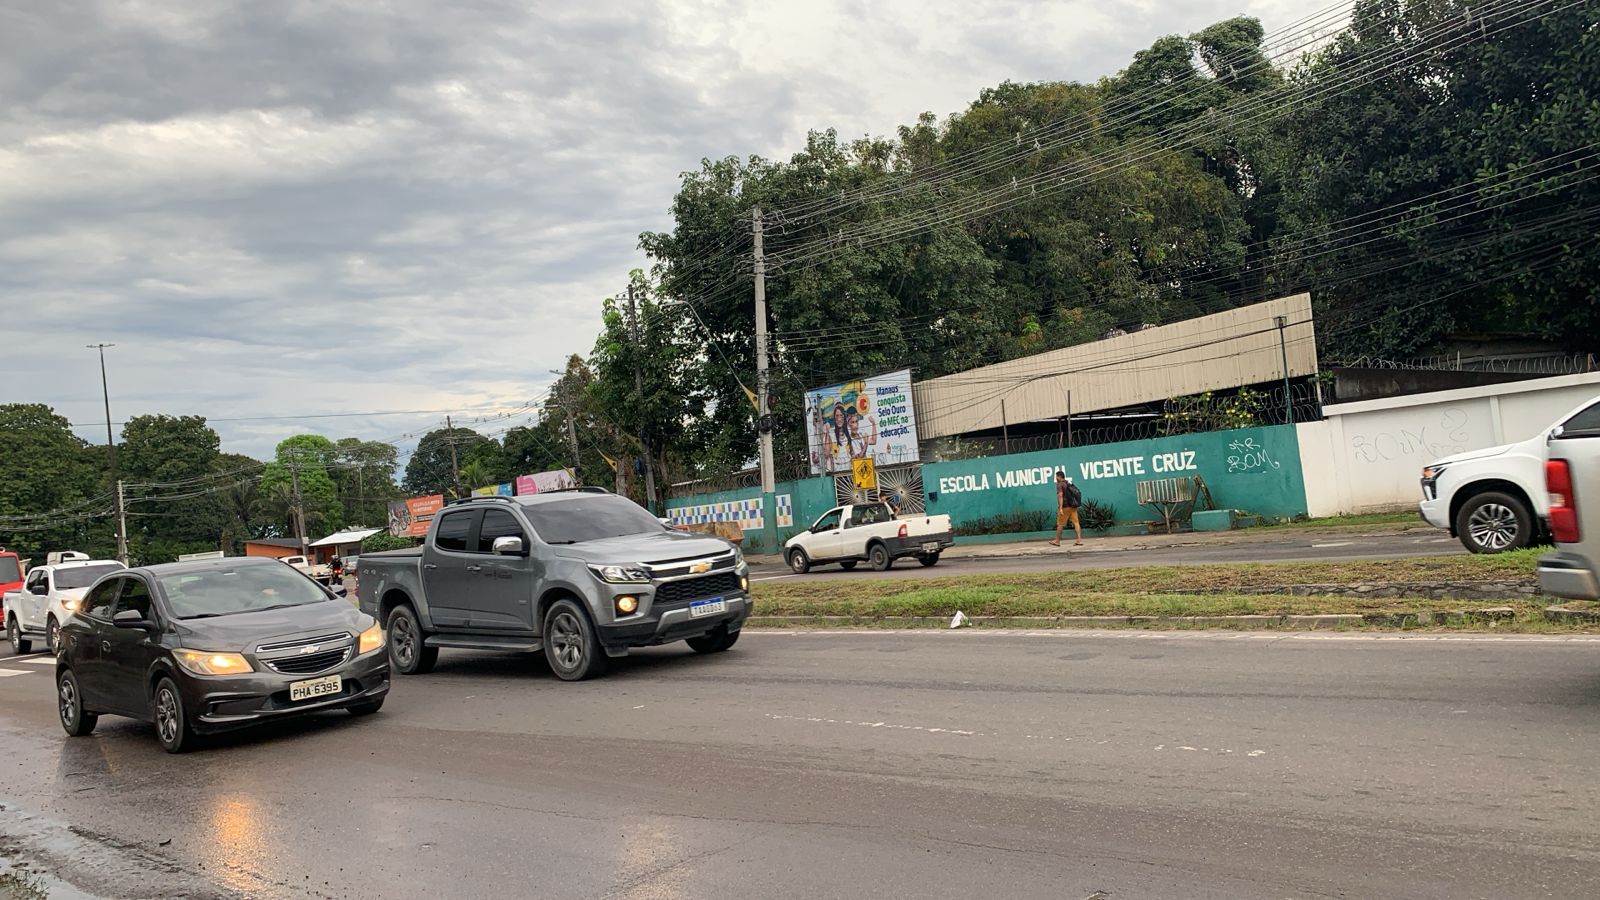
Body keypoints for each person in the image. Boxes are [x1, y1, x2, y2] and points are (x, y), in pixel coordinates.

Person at [1049, 470, 1083, 547]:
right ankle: (1079, 540)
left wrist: (1060, 508)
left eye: (1056, 476)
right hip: (1073, 506)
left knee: (1060, 524)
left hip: (1065, 506)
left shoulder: (1059, 485)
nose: (1056, 478)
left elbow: (1060, 495)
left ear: (1058, 476)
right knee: (1076, 522)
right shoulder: (1068, 483)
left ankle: (1057, 541)